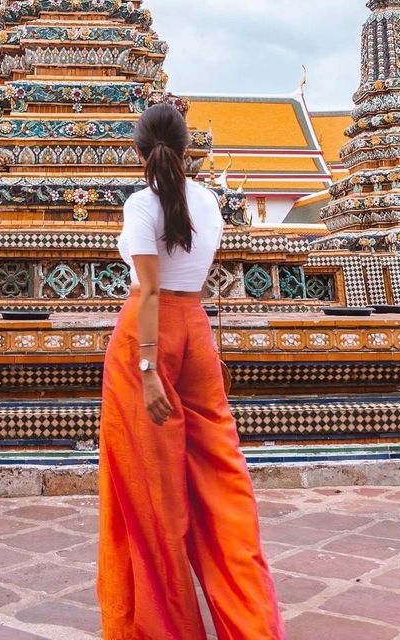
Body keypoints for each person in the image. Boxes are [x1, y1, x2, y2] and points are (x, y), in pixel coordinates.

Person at [97, 103, 285, 640]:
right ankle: (251, 625)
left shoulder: (140, 203)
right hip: (196, 332)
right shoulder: (209, 201)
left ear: (140, 152)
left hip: (146, 339)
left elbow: (151, 290)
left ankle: (162, 629)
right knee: (221, 479)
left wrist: (150, 366)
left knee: (149, 493)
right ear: (187, 149)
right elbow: (186, 278)